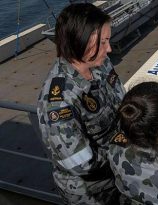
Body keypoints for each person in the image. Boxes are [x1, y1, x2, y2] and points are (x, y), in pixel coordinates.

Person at [37, 3, 125, 204]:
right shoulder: (58, 103)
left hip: (118, 177)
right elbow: (81, 162)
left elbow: (120, 99)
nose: (109, 49)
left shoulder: (100, 64)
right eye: (102, 42)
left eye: (108, 41)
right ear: (80, 41)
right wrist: (128, 149)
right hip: (90, 193)